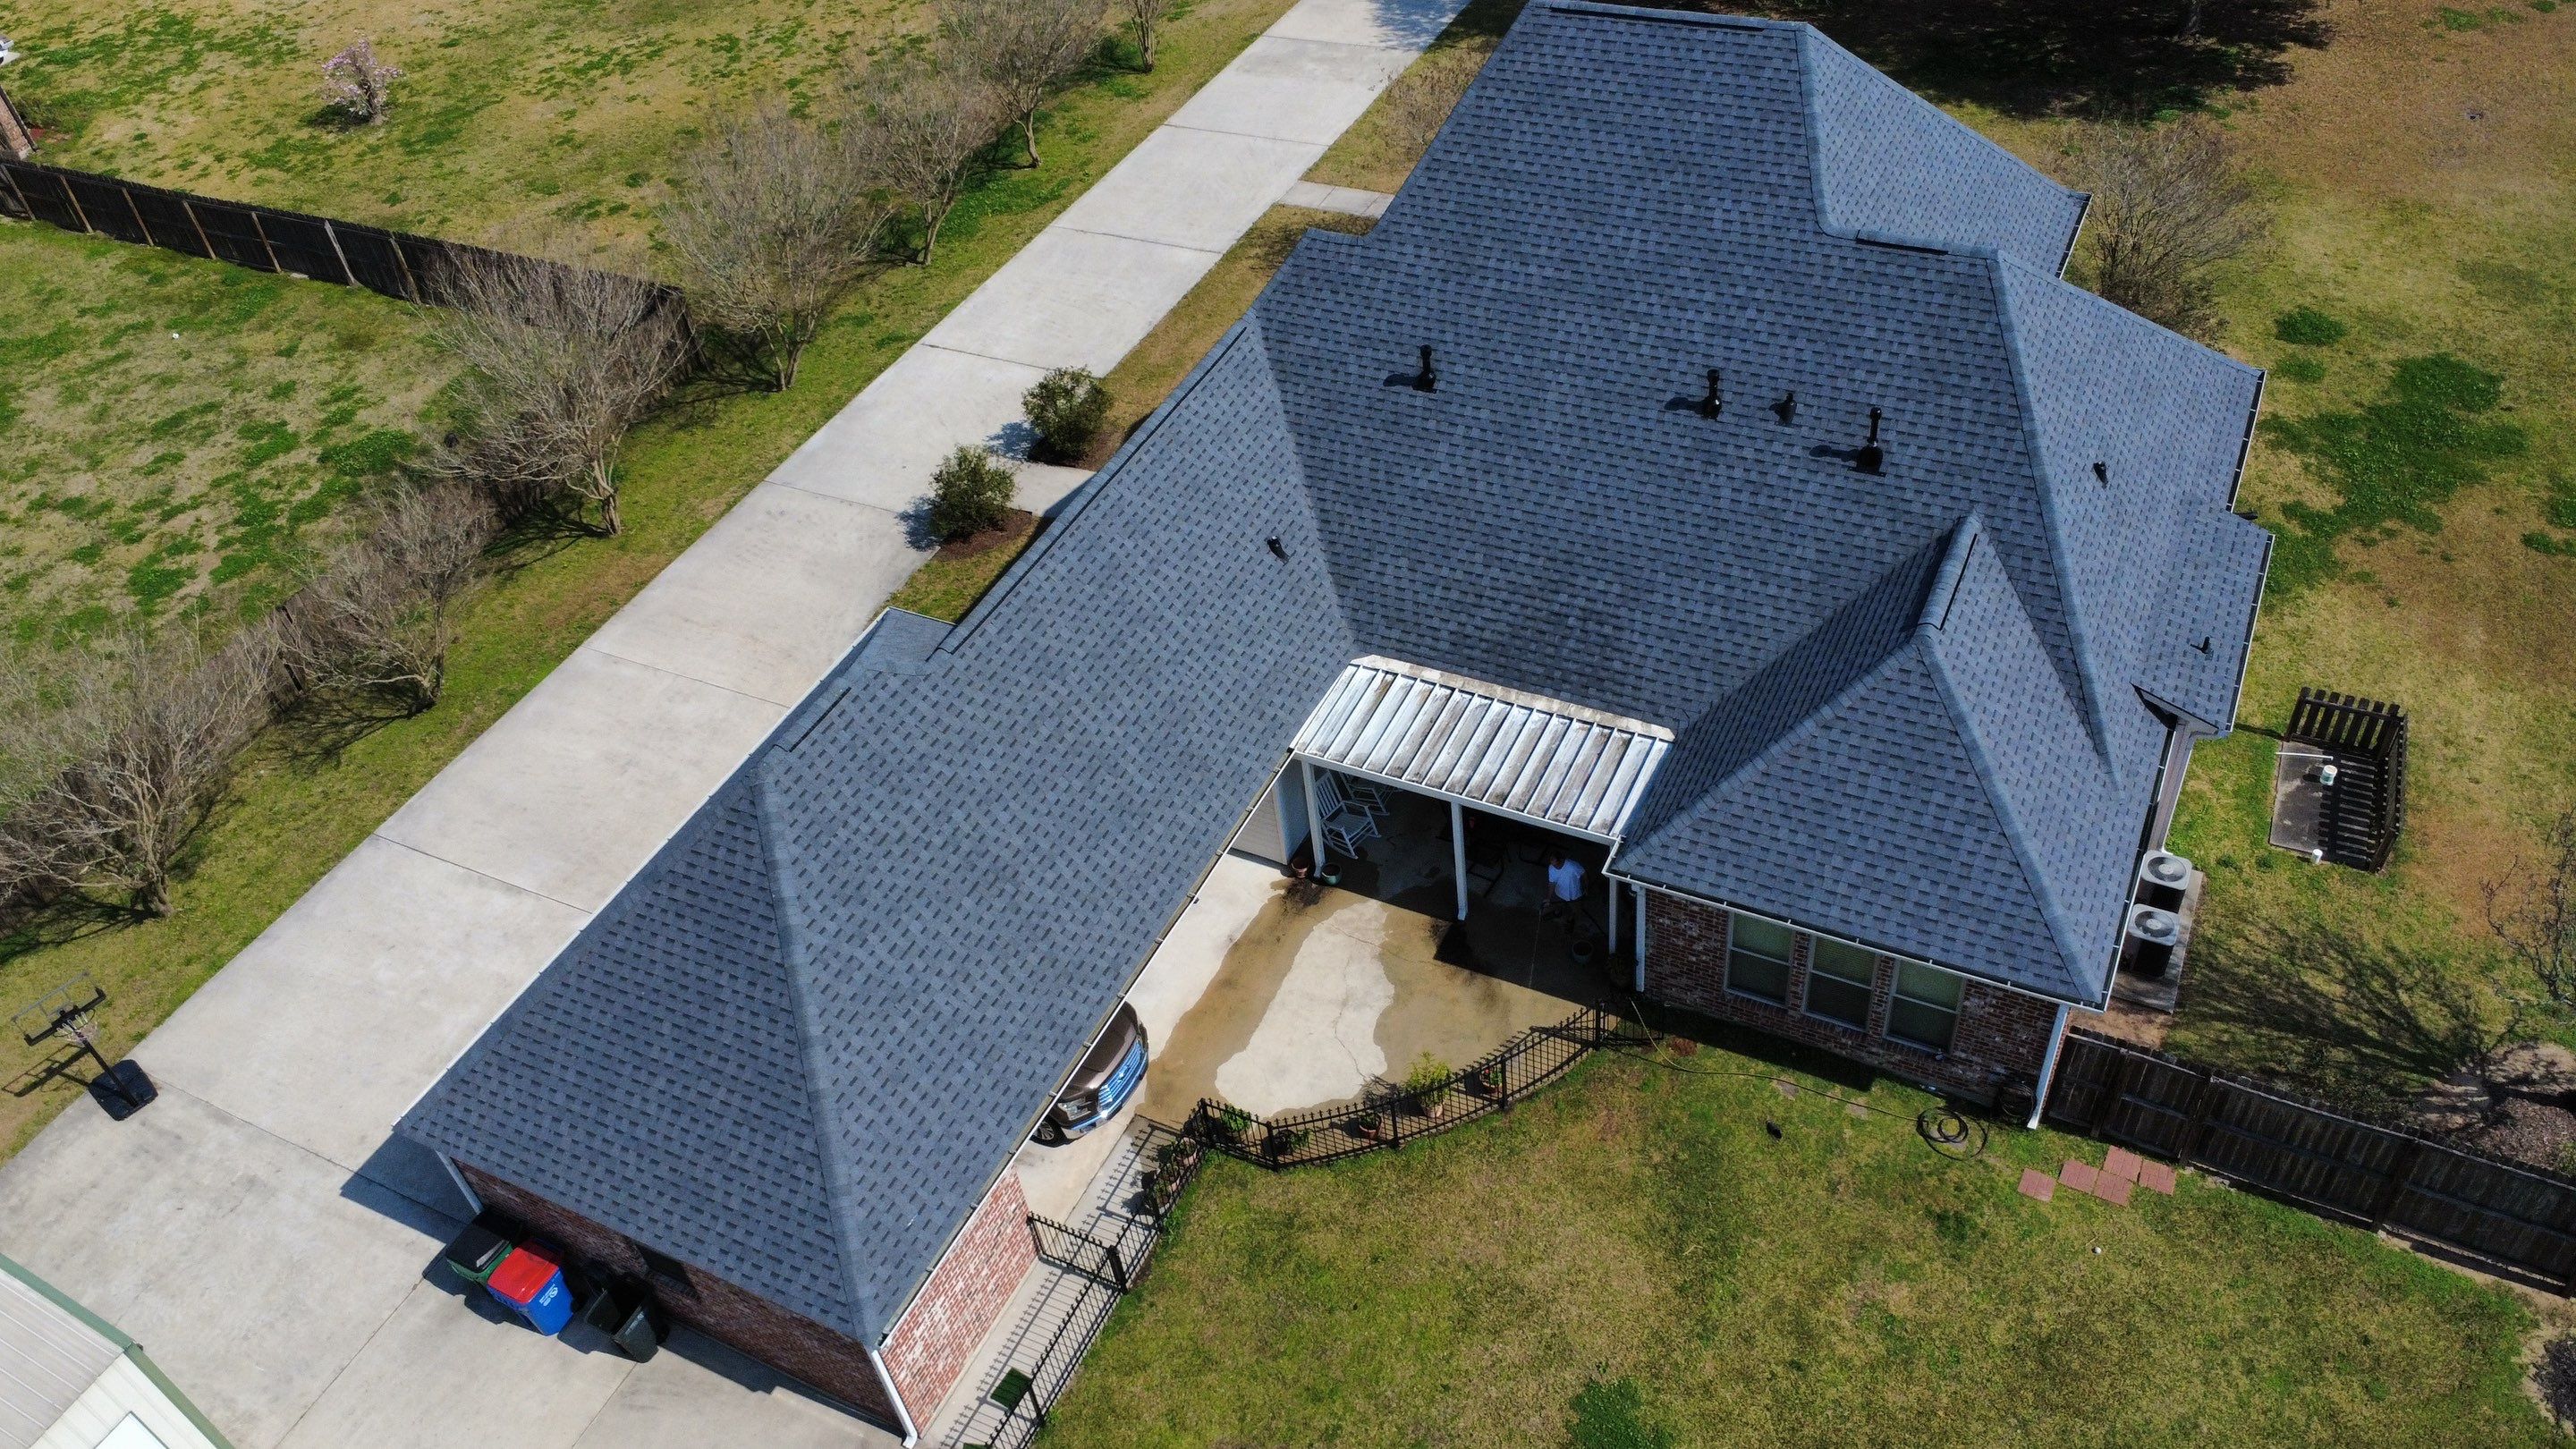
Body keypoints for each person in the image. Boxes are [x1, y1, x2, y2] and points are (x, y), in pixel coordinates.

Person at [1542, 851, 1585, 922]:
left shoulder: (1572, 866)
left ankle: (1571, 920)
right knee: (1559, 905)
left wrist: (1586, 888)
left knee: (1575, 909)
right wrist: (1548, 898)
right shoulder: (1551, 867)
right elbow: (1552, 883)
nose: (1553, 866)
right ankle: (1558, 913)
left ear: (1561, 860)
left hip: (1574, 895)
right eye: (1551, 862)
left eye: (1556, 864)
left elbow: (1584, 874)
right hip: (1560, 893)